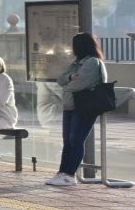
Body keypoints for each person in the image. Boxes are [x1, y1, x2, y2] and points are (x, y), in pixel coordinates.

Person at [46, 32, 109, 187]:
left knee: (76, 139)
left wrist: (69, 83)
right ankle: (62, 172)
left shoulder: (92, 62)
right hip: (71, 105)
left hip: (84, 106)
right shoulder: (77, 62)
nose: (72, 48)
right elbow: (61, 79)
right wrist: (69, 78)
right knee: (67, 140)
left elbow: (79, 84)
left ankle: (70, 174)